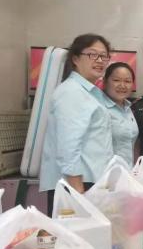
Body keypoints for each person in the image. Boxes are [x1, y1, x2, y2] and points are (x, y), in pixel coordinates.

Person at [39, 33, 114, 213]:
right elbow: (68, 145)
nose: (99, 60)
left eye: (104, 56)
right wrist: (77, 190)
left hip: (89, 183)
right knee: (76, 232)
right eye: (92, 54)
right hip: (76, 185)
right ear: (75, 59)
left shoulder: (90, 93)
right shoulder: (71, 92)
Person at [103, 62, 139, 166]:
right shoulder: (100, 108)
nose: (122, 85)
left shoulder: (129, 108)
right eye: (116, 80)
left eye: (127, 81)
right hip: (106, 172)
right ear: (105, 81)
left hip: (127, 171)